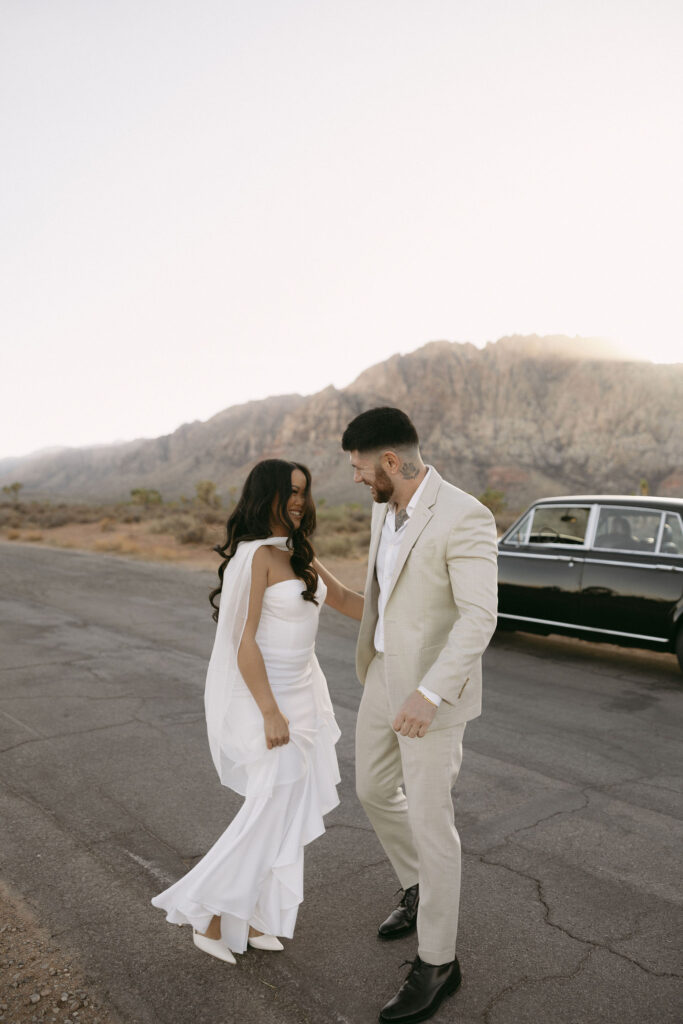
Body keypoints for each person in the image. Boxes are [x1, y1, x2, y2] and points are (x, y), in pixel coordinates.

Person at [151, 459, 363, 963]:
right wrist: (270, 712)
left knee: (286, 814)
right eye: (290, 491)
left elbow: (352, 602)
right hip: (267, 702)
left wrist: (410, 591)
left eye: (304, 492)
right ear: (265, 493)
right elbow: (243, 642)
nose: (298, 500)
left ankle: (255, 918)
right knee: (267, 812)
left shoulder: (299, 555)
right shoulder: (256, 556)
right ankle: (210, 916)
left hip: (305, 700)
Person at [341, 408, 498, 1024]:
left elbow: (479, 617)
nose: (357, 480)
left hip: (432, 696)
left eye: (360, 468)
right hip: (382, 674)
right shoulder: (385, 510)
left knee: (434, 824)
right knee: (372, 788)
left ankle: (439, 963)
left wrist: (429, 694)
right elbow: (383, 598)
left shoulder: (466, 515)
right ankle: (415, 885)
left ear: (389, 462)